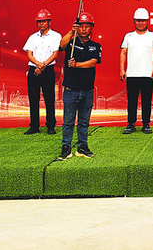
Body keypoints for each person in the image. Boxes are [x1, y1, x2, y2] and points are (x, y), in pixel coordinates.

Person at [57, 11, 101, 160]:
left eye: (87, 26)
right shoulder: (71, 43)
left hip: (87, 90)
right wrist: (71, 31)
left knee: (84, 121)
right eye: (81, 26)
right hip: (71, 89)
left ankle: (82, 146)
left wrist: (77, 65)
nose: (84, 29)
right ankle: (66, 148)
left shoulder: (95, 46)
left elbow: (93, 62)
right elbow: (61, 45)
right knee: (68, 121)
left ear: (91, 28)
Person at [120, 7, 153, 134]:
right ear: (134, 21)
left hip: (147, 74)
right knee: (131, 101)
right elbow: (123, 53)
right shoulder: (129, 36)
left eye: (143, 20)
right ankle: (131, 124)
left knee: (146, 100)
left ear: (147, 21)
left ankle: (146, 124)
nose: (141, 23)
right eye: (138, 20)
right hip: (132, 74)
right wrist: (122, 70)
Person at [22, 9, 61, 135]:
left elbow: (55, 54)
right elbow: (29, 54)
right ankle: (34, 126)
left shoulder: (56, 36)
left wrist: (42, 66)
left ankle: (50, 125)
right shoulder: (33, 37)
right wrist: (38, 65)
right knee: (33, 98)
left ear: (49, 22)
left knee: (49, 98)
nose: (41, 24)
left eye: (44, 21)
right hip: (34, 69)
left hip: (48, 69)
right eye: (39, 21)